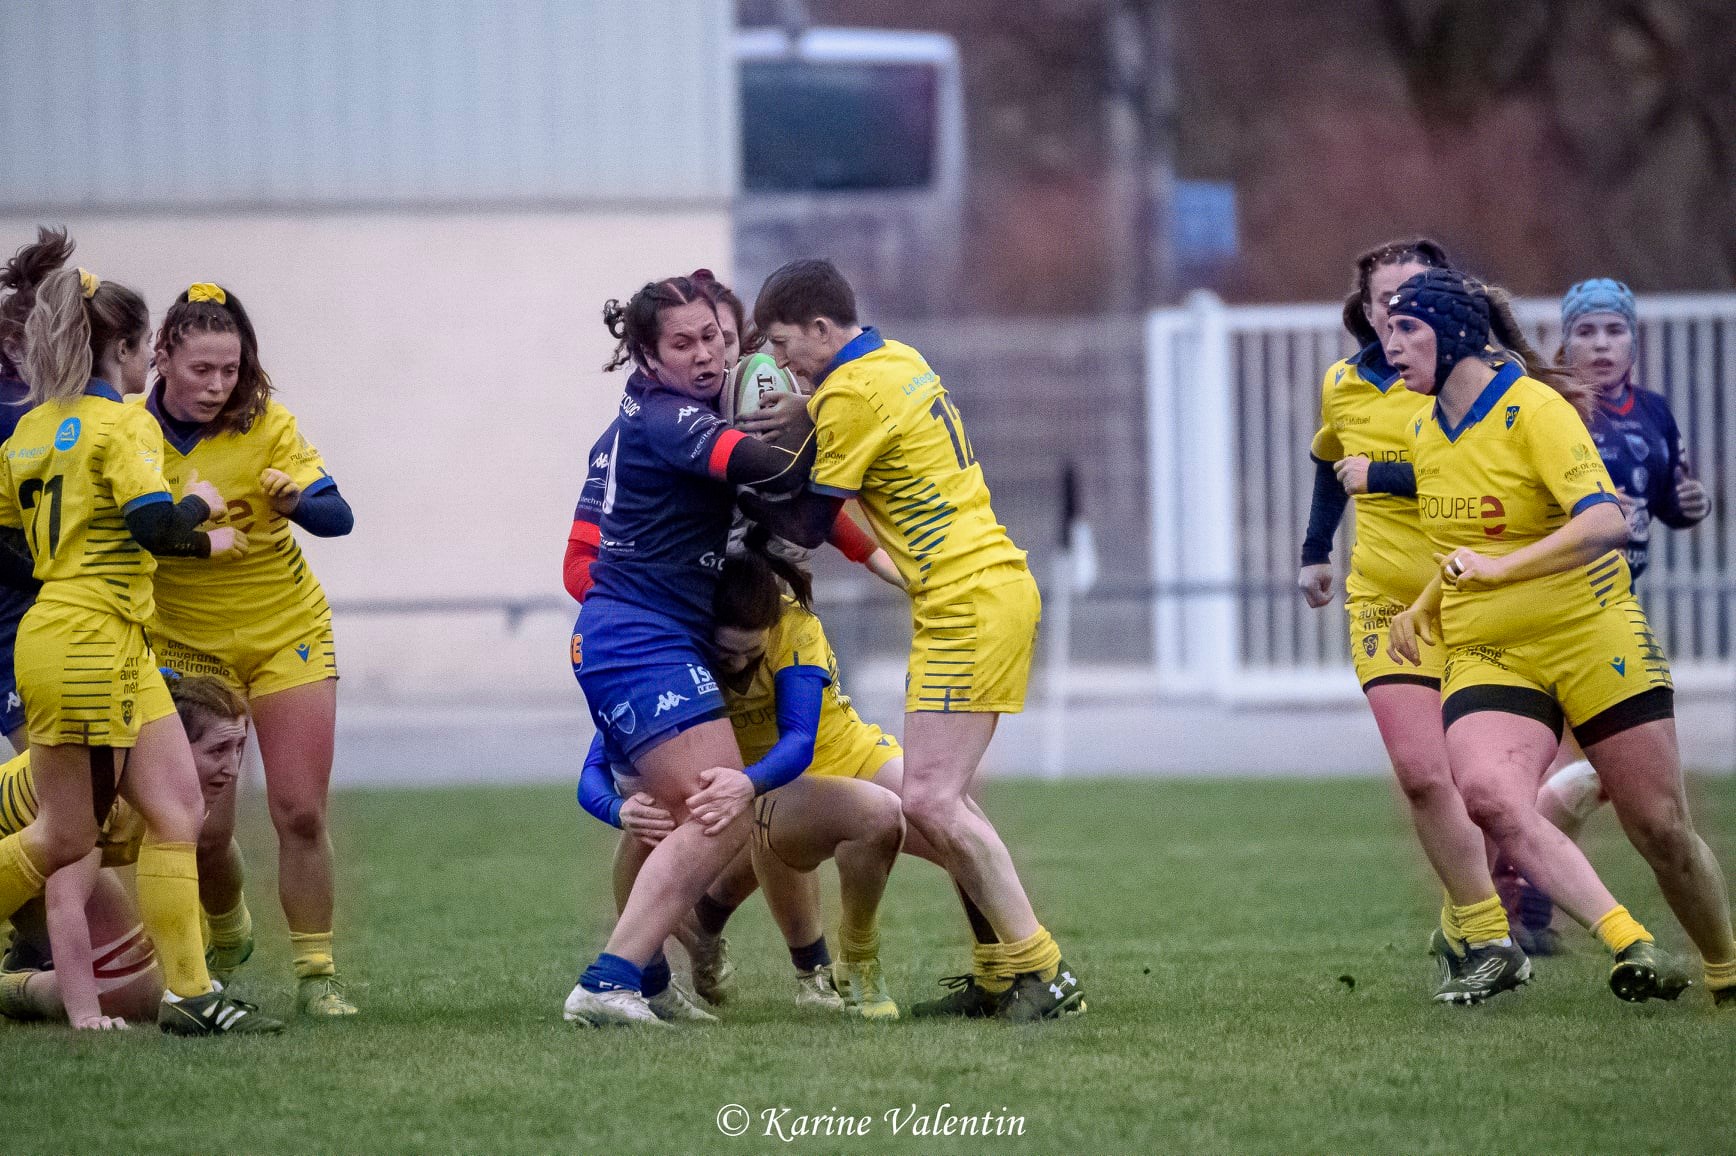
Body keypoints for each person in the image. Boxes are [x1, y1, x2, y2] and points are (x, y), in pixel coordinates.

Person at [1385, 268, 1735, 1007]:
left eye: (1404, 329)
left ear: (1450, 335)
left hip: (1590, 634)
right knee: (1487, 796)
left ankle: (1725, 969)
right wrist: (1422, 606)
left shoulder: (1534, 410)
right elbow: (1463, 542)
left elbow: (1606, 520)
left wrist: (1504, 567)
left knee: (1660, 830)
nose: (1390, 347)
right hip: (1492, 648)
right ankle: (1628, 942)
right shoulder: (1421, 429)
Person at [744, 258, 1081, 1021]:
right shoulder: (898, 359)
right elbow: (856, 422)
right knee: (942, 797)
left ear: (823, 330)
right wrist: (807, 413)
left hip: (968, 597)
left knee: (928, 799)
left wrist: (742, 461)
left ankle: (1043, 971)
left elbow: (804, 522)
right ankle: (1002, 970)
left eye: (784, 344)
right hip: (979, 588)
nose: (779, 364)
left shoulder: (851, 394)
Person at [0, 266, 277, 1034]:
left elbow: (9, 537)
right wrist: (202, 509)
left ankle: (191, 997)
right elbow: (156, 526)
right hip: (88, 639)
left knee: (177, 806)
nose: (141, 364)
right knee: (64, 836)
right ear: (120, 346)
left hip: (93, 632)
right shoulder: (125, 425)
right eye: (137, 347)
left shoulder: (27, 430)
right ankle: (187, 991)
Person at [562, 275, 817, 1026]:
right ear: (646, 353)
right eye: (683, 343)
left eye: (716, 337)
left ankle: (639, 983)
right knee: (721, 810)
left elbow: (795, 517)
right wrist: (816, 412)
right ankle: (607, 980)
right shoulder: (668, 418)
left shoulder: (685, 407)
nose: (706, 356)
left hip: (649, 635)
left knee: (696, 814)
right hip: (636, 636)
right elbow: (774, 469)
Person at [1298, 238, 1525, 1002]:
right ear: (1363, 313)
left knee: (1485, 783)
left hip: (1480, 597)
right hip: (1386, 601)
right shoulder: (1344, 384)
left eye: (1415, 298)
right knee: (1424, 774)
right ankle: (1489, 932)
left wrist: (1381, 476)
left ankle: (1465, 920)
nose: (1397, 317)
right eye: (1383, 303)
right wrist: (1314, 551)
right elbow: (1334, 464)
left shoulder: (1487, 382)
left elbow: (1478, 482)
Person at [140, 282, 358, 1018]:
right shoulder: (129, 435)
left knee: (300, 812)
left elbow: (339, 515)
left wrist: (296, 502)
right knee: (201, 831)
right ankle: (227, 925)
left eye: (229, 369)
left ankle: (317, 976)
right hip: (184, 645)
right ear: (161, 356)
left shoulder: (267, 424)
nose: (217, 384)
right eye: (202, 369)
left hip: (285, 633)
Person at [580, 546, 908, 1018]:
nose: (736, 664)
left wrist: (745, 783)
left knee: (932, 812)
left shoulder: (792, 630)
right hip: (746, 796)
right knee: (642, 834)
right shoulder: (676, 659)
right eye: (725, 652)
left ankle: (1001, 967)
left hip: (813, 766)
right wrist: (618, 810)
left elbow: (798, 742)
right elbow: (595, 765)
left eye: (750, 653)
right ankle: (649, 983)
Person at [1505, 279, 1713, 949]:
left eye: (1612, 331)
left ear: (1632, 338)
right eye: (1586, 332)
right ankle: (1514, 911)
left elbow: (1669, 503)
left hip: (1619, 606)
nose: (1599, 344)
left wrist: (1689, 504)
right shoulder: (1557, 409)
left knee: (1596, 770)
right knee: (1561, 763)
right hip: (1560, 606)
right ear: (1566, 338)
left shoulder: (1654, 414)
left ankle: (1524, 903)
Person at [0, 673, 249, 1028]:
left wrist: (195, 982)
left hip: (44, 870)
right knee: (93, 994)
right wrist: (87, 1017)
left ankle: (14, 984)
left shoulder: (183, 789)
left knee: (137, 997)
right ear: (169, 744)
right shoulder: (99, 784)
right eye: (218, 750)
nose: (233, 767)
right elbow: (64, 902)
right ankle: (39, 952)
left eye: (239, 747)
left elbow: (175, 888)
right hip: (20, 859)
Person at [0, 227, 76, 755]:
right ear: (13, 346)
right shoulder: (16, 414)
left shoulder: (54, 408)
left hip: (45, 613)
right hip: (16, 621)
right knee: (64, 807)